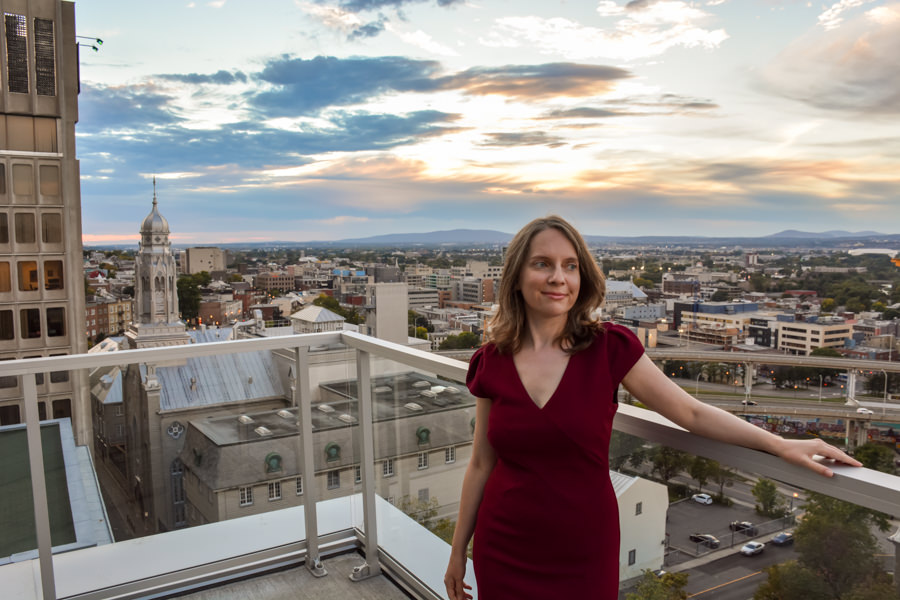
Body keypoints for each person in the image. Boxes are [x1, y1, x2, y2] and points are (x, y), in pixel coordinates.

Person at [443, 215, 861, 600]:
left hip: (583, 547)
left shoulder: (609, 347)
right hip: (505, 542)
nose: (558, 278)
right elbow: (481, 463)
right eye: (542, 264)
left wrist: (780, 444)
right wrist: (458, 550)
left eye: (570, 266)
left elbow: (690, 413)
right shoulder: (491, 361)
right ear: (516, 276)